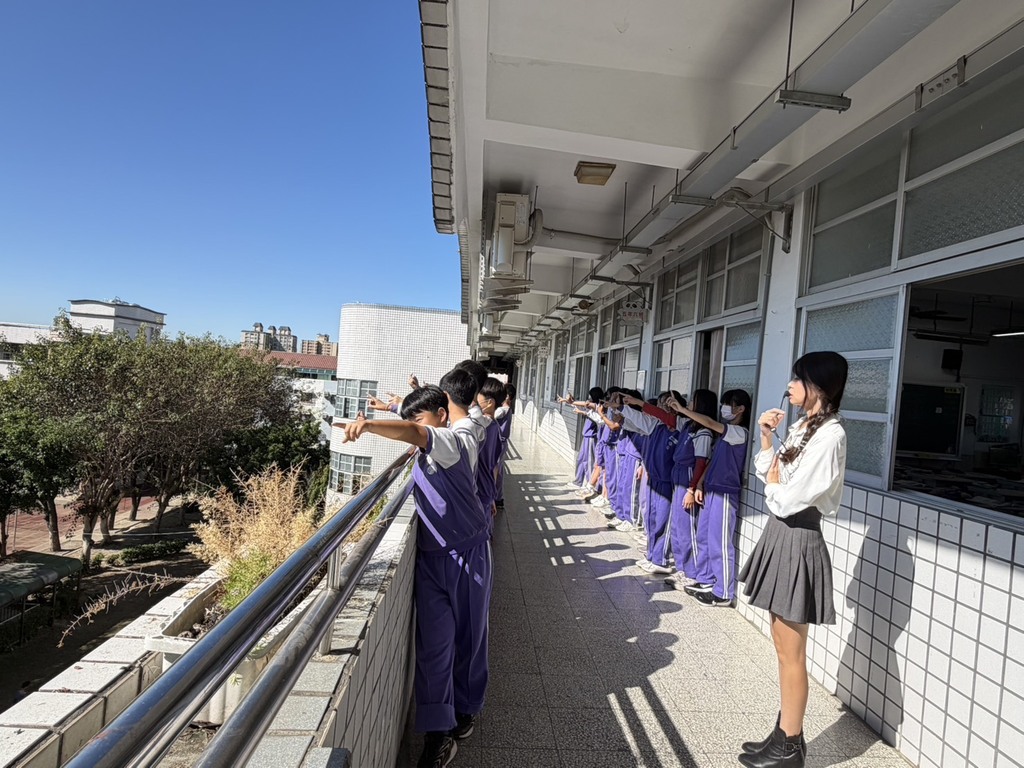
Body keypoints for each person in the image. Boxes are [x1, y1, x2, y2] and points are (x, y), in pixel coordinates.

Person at [343, 384, 492, 768]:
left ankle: (466, 709)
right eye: (409, 418)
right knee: (433, 648)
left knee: (469, 638)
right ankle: (438, 734)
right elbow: (413, 424)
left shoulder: (451, 441)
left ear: (442, 414)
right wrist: (394, 406)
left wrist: (369, 425)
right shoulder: (431, 440)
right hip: (430, 559)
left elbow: (416, 431)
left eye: (420, 417)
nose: (412, 425)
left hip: (467, 555)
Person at [737, 352, 849, 768]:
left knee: (791, 652)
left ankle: (789, 746)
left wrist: (773, 483)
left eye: (797, 379)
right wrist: (766, 438)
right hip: (783, 533)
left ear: (817, 385)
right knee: (782, 646)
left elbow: (789, 497)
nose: (789, 386)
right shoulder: (804, 426)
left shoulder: (831, 435)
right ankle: (783, 734)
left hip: (798, 534)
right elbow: (773, 475)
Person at [668, 388, 751, 606]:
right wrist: (700, 483)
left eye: (729, 404)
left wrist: (683, 410)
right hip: (711, 488)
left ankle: (723, 592)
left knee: (719, 542)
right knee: (703, 536)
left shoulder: (739, 432)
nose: (724, 408)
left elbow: (709, 422)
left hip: (725, 492)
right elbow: (712, 460)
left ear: (741, 409)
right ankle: (705, 579)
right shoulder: (725, 434)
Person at [618, 391, 684, 575]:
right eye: (660, 405)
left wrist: (634, 404)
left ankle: (661, 560)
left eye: (664, 405)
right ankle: (651, 555)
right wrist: (621, 408)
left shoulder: (679, 427)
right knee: (652, 518)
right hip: (654, 478)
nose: (660, 408)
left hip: (667, 482)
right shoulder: (656, 425)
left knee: (663, 520)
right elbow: (637, 420)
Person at [664, 389, 717, 589]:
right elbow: (666, 418)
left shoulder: (703, 432)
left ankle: (693, 572)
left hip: (688, 477)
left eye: (693, 401)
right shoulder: (688, 425)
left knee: (687, 528)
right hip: (678, 473)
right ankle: (682, 568)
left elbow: (701, 462)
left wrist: (691, 489)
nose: (690, 405)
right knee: (677, 527)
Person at [561, 387, 605, 494]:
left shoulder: (599, 408)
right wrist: (571, 402)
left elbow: (589, 410)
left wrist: (580, 410)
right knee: (580, 459)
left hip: (591, 437)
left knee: (589, 461)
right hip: (586, 436)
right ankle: (578, 481)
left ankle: (591, 484)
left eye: (590, 396)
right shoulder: (592, 406)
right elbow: (583, 405)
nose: (588, 398)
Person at [475, 377, 507, 519]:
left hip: (480, 490)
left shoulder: (484, 428)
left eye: (478, 398)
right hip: (486, 490)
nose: (475, 401)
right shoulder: (494, 427)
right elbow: (495, 466)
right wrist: (492, 495)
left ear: (489, 403)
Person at [493, 382, 515, 511]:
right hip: (503, 442)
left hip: (499, 442)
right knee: (499, 470)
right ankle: (498, 497)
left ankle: (496, 497)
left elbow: (490, 417)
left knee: (496, 470)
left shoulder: (502, 410)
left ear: (506, 396)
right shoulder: (508, 409)